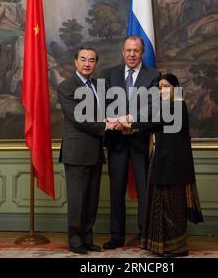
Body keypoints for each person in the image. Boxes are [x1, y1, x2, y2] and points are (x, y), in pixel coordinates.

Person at [118, 73, 204, 257]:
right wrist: (128, 122)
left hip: (174, 165)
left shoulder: (177, 105)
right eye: (159, 87)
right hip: (162, 162)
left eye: (166, 86)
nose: (162, 90)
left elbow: (152, 122)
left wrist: (127, 123)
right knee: (160, 203)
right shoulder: (166, 106)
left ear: (175, 88)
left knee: (172, 206)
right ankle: (161, 246)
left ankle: (176, 248)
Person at [58, 46, 118, 255]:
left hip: (95, 151)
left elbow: (106, 111)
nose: (87, 63)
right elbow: (78, 117)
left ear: (96, 64)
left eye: (91, 60)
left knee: (91, 199)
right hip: (76, 152)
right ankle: (76, 242)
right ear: (75, 62)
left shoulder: (97, 86)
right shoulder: (66, 87)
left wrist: (119, 120)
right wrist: (106, 126)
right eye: (83, 59)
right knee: (77, 200)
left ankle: (87, 239)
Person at [103, 36, 161, 249]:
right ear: (122, 51)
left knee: (144, 190)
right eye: (128, 50)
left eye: (136, 50)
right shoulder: (110, 74)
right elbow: (106, 102)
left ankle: (144, 234)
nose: (131, 54)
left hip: (140, 141)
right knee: (116, 190)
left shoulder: (153, 75)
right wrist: (116, 122)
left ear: (142, 52)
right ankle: (116, 235)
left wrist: (127, 121)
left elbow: (152, 108)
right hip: (117, 141)